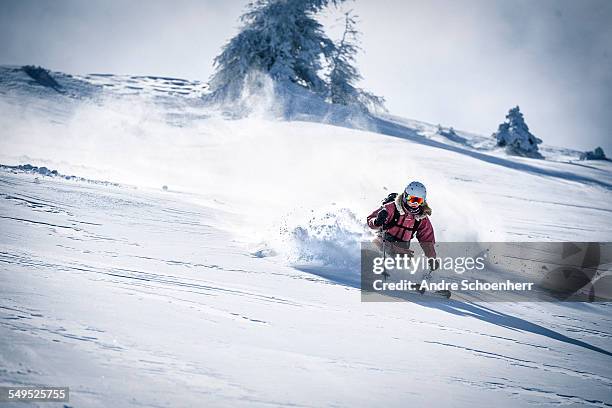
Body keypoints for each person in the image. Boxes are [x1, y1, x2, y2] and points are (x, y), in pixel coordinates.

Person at [367, 181, 437, 263]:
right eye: (411, 199)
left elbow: (427, 240)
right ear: (405, 196)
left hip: (402, 248)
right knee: (378, 245)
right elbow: (370, 220)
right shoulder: (391, 208)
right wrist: (376, 221)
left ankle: (395, 273)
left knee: (404, 262)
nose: (414, 203)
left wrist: (432, 258)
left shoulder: (421, 218)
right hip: (383, 240)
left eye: (418, 200)